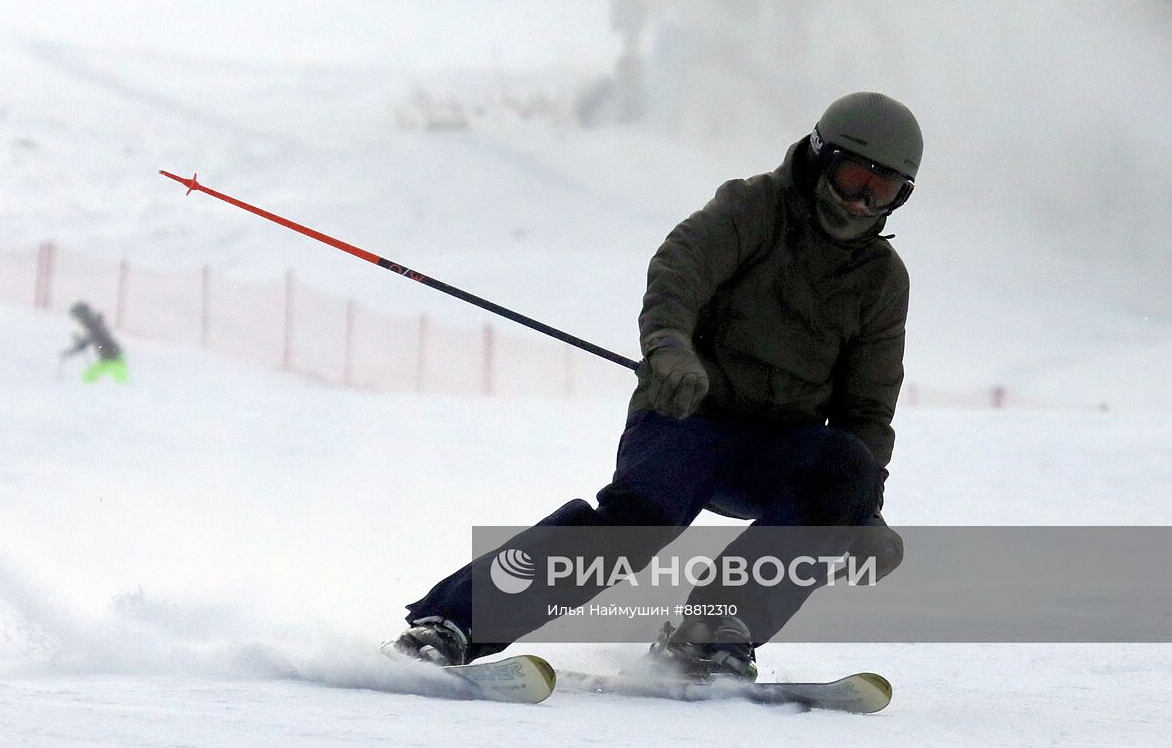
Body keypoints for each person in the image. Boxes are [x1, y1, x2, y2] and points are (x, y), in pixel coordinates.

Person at [392, 91, 918, 678]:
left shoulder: (881, 281)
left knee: (845, 464)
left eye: (884, 190)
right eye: (852, 179)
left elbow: (867, 408)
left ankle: (711, 632)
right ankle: (452, 624)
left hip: (777, 447)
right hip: (687, 414)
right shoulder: (753, 210)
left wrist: (865, 512)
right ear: (822, 159)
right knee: (634, 527)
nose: (861, 202)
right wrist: (670, 351)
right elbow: (680, 270)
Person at [61, 301, 128, 383]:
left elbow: (92, 338)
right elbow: (94, 338)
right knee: (90, 377)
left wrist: (74, 349)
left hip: (113, 358)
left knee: (91, 378)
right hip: (110, 357)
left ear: (82, 315)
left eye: (77, 317)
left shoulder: (93, 324)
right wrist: (80, 343)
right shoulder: (93, 323)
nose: (78, 321)